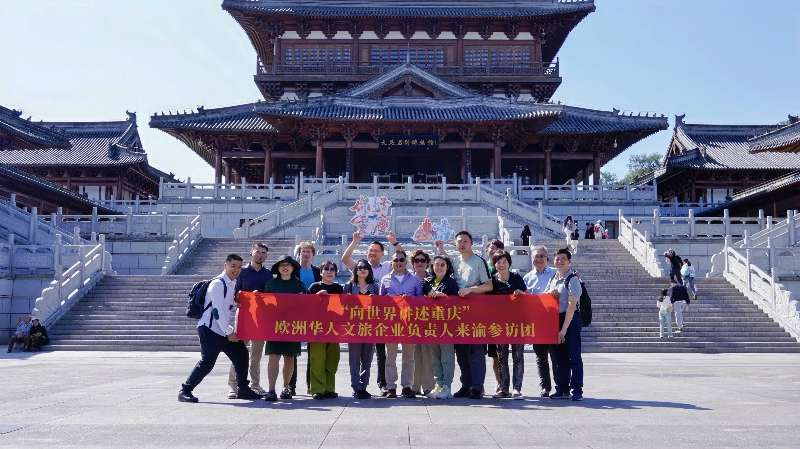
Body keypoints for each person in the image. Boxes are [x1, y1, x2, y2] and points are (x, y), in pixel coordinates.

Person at [178, 254, 263, 403]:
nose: (236, 270)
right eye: (233, 266)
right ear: (225, 265)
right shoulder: (217, 284)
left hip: (222, 329)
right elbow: (217, 311)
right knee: (207, 362)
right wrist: (229, 331)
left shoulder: (231, 284)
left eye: (238, 267)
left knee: (241, 354)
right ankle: (185, 390)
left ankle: (243, 388)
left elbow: (228, 305)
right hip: (210, 329)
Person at [341, 230, 402, 396]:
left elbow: (402, 259)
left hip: (379, 321)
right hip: (356, 324)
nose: (372, 253)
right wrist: (354, 241)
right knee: (355, 357)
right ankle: (357, 387)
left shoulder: (387, 267)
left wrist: (395, 243)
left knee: (379, 355)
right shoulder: (358, 269)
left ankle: (382, 384)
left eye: (376, 250)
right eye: (370, 250)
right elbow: (345, 259)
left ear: (382, 253)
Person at [435, 231, 493, 399]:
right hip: (458, 313)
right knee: (460, 351)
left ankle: (477, 386)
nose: (462, 244)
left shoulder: (479, 262)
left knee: (476, 351)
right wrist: (441, 248)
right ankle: (465, 384)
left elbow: (488, 286)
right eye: (459, 241)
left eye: (465, 241)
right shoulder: (455, 261)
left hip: (475, 311)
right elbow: (446, 267)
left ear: (471, 243)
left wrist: (471, 290)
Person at [227, 242, 272, 398]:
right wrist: (246, 296)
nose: (260, 255)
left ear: (266, 256)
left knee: (256, 354)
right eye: (257, 252)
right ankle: (233, 385)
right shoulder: (242, 271)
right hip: (244, 315)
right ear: (251, 252)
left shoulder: (268, 274)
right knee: (238, 352)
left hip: (261, 318)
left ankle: (255, 384)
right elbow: (234, 293)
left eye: (263, 253)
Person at [379, 250, 423, 398]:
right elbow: (380, 302)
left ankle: (407, 386)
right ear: (391, 262)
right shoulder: (385, 279)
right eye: (396, 260)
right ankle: (391, 386)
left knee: (408, 357)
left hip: (409, 322)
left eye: (401, 260)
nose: (399, 263)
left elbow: (421, 301)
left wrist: (408, 300)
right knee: (390, 356)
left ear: (406, 262)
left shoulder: (415, 280)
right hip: (391, 323)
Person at [263, 255, 306, 401]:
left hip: (293, 326)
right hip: (274, 325)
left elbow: (305, 305)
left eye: (288, 264)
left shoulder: (299, 285)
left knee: (289, 358)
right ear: (278, 268)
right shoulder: (271, 284)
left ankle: (286, 387)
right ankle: (271, 389)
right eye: (282, 265)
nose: (285, 267)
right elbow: (265, 305)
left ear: (293, 268)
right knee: (273, 357)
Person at [545, 248, 584, 401]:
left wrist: (563, 330)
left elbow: (572, 306)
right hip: (555, 319)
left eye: (563, 259)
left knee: (573, 356)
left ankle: (577, 390)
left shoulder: (572, 279)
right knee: (559, 357)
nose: (559, 261)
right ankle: (562, 389)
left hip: (570, 320)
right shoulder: (553, 277)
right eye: (557, 259)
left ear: (569, 262)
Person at [489, 251, 527, 399]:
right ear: (494, 264)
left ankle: (517, 388)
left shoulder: (516, 277)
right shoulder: (492, 281)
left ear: (509, 263)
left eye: (504, 261)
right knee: (501, 357)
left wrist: (521, 293)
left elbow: (527, 296)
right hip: (499, 325)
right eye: (498, 262)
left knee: (518, 356)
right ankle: (504, 388)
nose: (501, 264)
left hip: (517, 323)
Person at [422, 255, 460, 399]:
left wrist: (444, 297)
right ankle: (438, 384)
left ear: (447, 267)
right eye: (436, 264)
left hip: (446, 325)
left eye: (442, 264)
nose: (439, 267)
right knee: (435, 357)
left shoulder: (451, 283)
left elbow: (456, 302)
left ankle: (447, 386)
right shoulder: (427, 281)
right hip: (431, 324)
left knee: (446, 357)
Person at [522, 245, 558, 397]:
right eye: (536, 256)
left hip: (555, 320)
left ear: (547, 258)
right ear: (532, 259)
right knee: (541, 357)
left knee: (557, 356)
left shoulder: (556, 273)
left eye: (542, 256)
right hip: (538, 322)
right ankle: (545, 387)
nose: (539, 259)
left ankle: (560, 386)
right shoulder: (527, 277)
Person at [343, 259, 379, 399]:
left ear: (369, 270)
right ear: (355, 271)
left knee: (367, 359)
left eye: (365, 267)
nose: (362, 270)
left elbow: (382, 307)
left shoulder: (374, 287)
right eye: (359, 268)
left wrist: (374, 300)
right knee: (354, 359)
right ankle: (356, 386)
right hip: (354, 327)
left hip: (370, 327)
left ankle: (363, 386)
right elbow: (343, 305)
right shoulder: (349, 286)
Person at [307, 260, 343, 400]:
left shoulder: (339, 288)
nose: (329, 271)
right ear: (321, 272)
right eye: (326, 269)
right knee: (317, 359)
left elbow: (343, 308)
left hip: (334, 329)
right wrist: (317, 298)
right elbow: (306, 306)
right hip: (317, 328)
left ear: (335, 272)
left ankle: (329, 388)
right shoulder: (314, 286)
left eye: (332, 269)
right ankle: (317, 389)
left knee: (332, 360)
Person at [291, 241, 321, 395]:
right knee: (293, 352)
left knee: (313, 352)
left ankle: (312, 385)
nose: (306, 254)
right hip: (295, 315)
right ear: (298, 254)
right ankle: (291, 385)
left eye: (309, 251)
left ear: (313, 255)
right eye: (303, 251)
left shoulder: (318, 271)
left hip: (314, 316)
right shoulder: (292, 271)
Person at [410, 249, 435, 397]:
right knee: (413, 354)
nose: (419, 263)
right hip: (412, 321)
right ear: (412, 264)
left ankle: (428, 386)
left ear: (427, 263)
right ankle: (413, 386)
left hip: (428, 321)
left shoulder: (433, 280)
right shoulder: (407, 278)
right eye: (416, 261)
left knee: (428, 354)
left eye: (422, 261)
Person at [483, 239, 505, 392]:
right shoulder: (482, 266)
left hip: (498, 318)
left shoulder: (503, 270)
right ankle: (477, 385)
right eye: (490, 247)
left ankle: (500, 384)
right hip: (481, 316)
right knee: (478, 354)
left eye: (495, 248)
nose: (492, 250)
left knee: (497, 355)